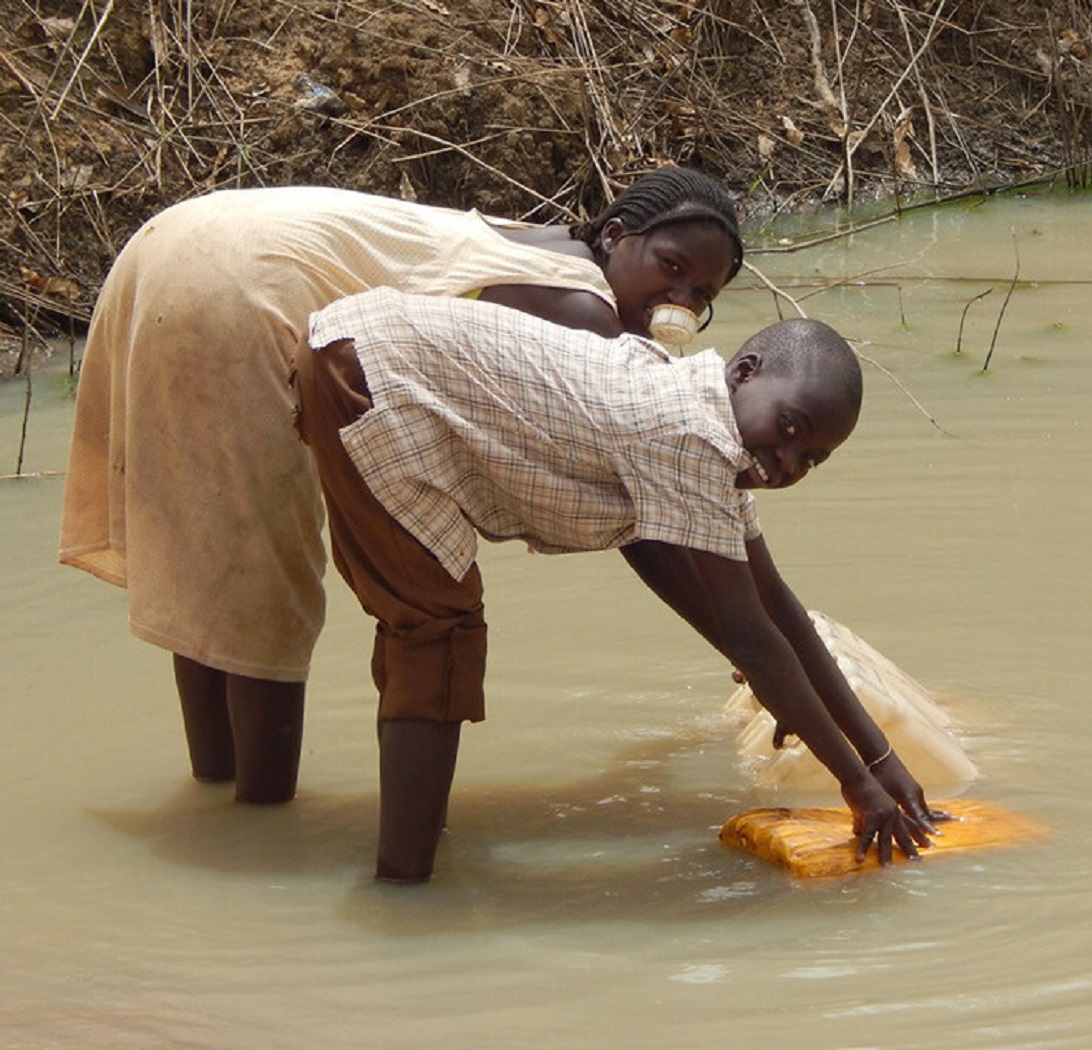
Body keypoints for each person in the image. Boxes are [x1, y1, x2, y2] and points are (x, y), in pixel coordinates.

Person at [58, 169, 744, 807]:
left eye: (699, 296)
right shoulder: (585, 312)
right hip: (246, 286)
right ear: (617, 236)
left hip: (173, 243)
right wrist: (746, 645)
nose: (675, 302)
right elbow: (646, 521)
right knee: (271, 583)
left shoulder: (538, 241)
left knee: (217, 552)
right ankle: (261, 826)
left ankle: (215, 795)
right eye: (671, 270)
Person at [292, 286, 944, 882]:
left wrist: (883, 760)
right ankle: (403, 888)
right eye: (791, 430)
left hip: (362, 349)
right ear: (744, 375)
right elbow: (751, 639)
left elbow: (778, 609)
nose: (785, 464)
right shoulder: (692, 433)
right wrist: (856, 784)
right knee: (435, 632)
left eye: (810, 460)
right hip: (373, 371)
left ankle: (414, 853)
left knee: (432, 628)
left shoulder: (714, 439)